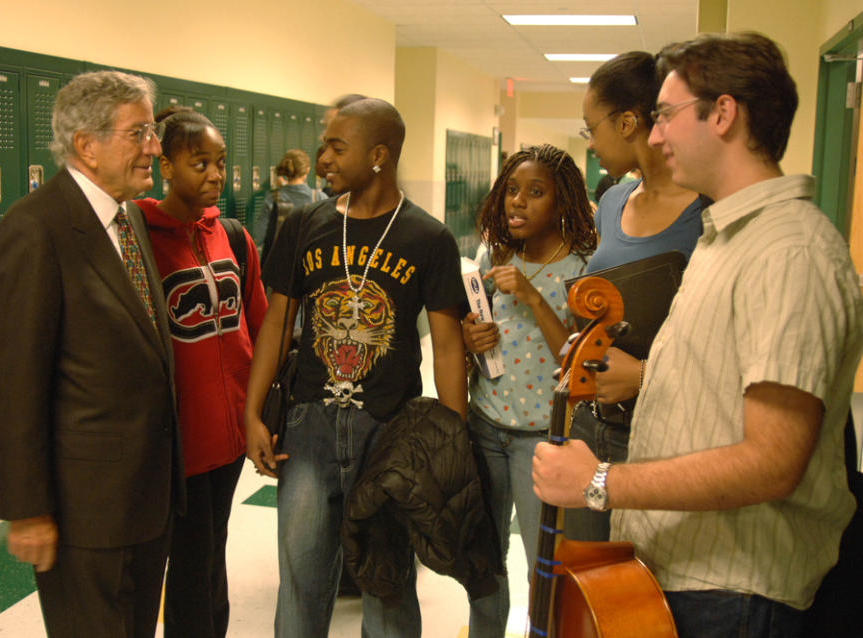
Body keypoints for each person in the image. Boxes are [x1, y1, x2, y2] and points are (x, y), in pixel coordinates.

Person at [532, 32, 863, 638]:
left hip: (735, 594)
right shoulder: (724, 239)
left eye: (665, 115)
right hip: (687, 575)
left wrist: (598, 481)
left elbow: (771, 463)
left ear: (724, 114)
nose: (654, 136)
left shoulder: (789, 251)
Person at [243, 97, 468, 638]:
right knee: (301, 581)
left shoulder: (427, 237)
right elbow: (276, 322)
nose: (323, 157)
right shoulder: (304, 226)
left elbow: (449, 344)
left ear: (378, 156)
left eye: (337, 147)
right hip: (309, 426)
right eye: (324, 145)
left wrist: (450, 440)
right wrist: (252, 413)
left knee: (387, 584)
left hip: (390, 430)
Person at [0, 71, 182, 638]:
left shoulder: (129, 217)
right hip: (85, 511)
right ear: (86, 145)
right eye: (139, 132)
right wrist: (28, 510)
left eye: (153, 131)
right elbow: (13, 386)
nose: (155, 147)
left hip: (145, 497)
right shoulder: (34, 231)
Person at [135, 106, 267, 637]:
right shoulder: (140, 238)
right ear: (165, 165)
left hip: (230, 433)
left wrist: (257, 414)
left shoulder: (232, 235)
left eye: (220, 163)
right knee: (191, 563)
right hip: (179, 441)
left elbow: (259, 327)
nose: (215, 175)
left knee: (213, 552)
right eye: (199, 163)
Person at [564, 50, 705, 542]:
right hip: (594, 422)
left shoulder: (707, 214)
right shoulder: (612, 202)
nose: (591, 143)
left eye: (591, 127)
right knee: (583, 578)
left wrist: (643, 376)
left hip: (662, 429)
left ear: (627, 122)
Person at [462, 145, 596, 637]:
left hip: (543, 437)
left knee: (543, 559)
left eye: (535, 193)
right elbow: (477, 331)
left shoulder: (581, 268)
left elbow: (578, 363)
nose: (517, 202)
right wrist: (471, 337)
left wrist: (534, 296)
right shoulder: (491, 255)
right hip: (487, 424)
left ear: (562, 204)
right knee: (484, 558)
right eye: (512, 190)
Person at [257, 148, 327, 262]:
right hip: (311, 261)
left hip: (281, 261)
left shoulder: (274, 198)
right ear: (307, 171)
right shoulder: (320, 197)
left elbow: (260, 234)